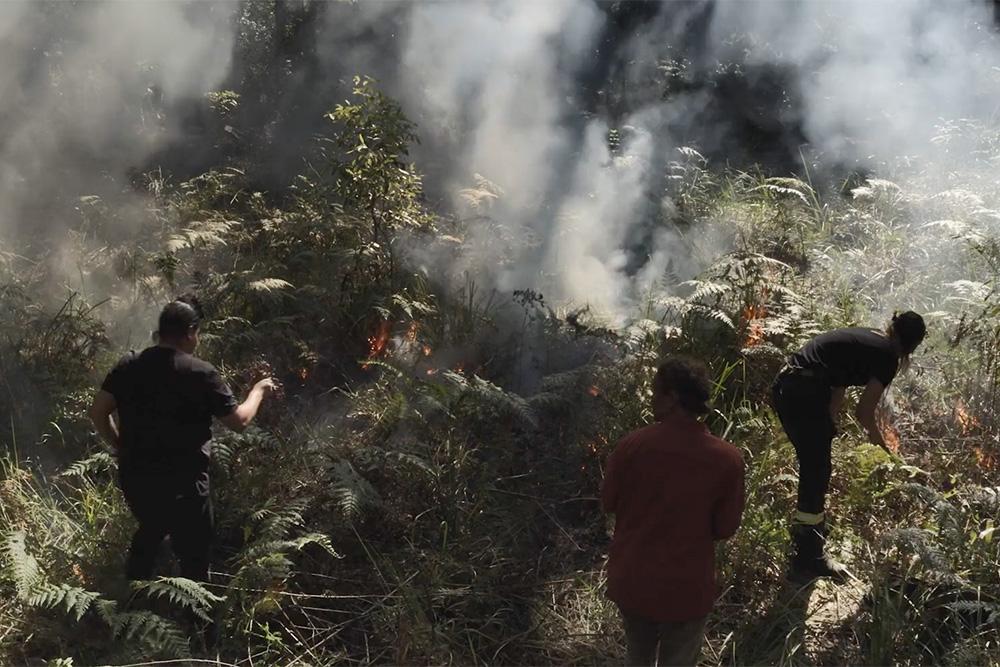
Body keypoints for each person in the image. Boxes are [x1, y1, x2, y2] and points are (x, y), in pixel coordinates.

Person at [89, 295, 277, 582]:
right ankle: (194, 616)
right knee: (195, 556)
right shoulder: (201, 373)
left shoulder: (129, 364)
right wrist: (259, 391)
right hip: (186, 487)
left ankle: (132, 602)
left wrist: (119, 445)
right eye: (197, 333)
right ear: (190, 332)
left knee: (151, 529)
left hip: (137, 478)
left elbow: (98, 412)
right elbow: (239, 422)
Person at [602, 358, 745, 667]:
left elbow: (608, 502)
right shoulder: (728, 459)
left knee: (637, 658)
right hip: (686, 589)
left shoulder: (631, 446)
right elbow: (725, 528)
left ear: (672, 398)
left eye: (656, 392)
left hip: (633, 582)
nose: (652, 398)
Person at [772, 311, 926, 583]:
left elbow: (837, 381)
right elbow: (864, 413)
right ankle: (808, 558)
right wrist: (884, 451)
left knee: (814, 469)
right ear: (912, 345)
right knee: (816, 473)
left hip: (787, 385)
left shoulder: (869, 337)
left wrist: (829, 423)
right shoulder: (888, 356)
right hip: (804, 391)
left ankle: (806, 541)